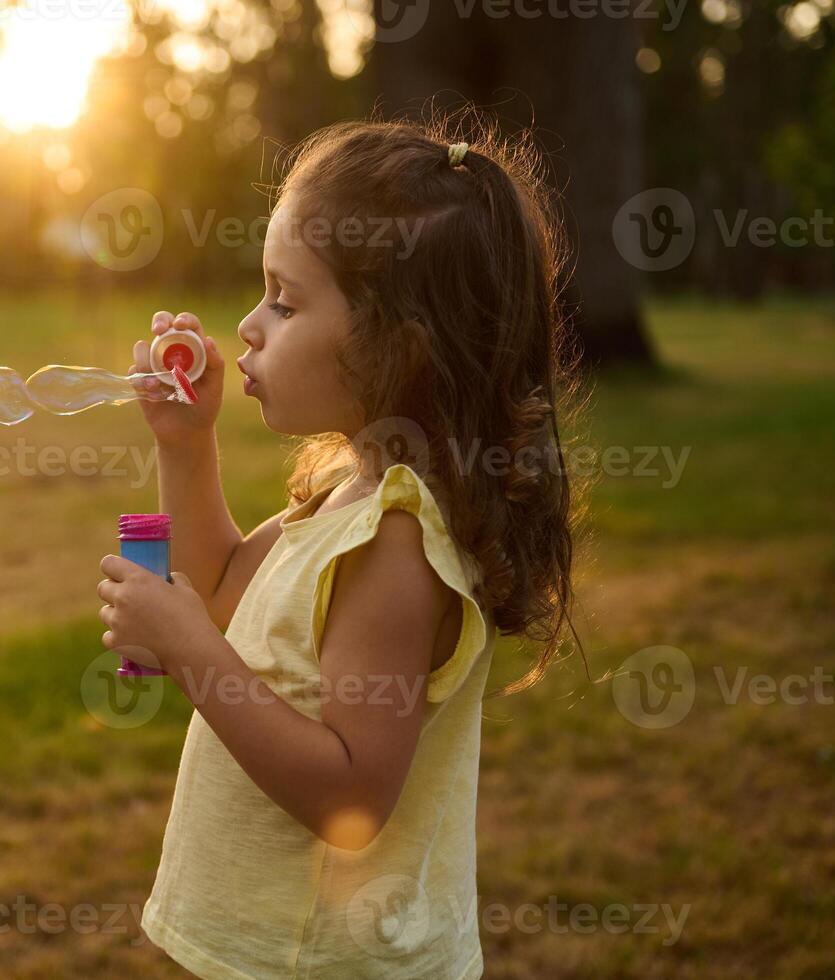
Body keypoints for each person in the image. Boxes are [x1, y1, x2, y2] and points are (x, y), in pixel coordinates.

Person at [95, 115, 581, 978]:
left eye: (285, 301)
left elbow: (352, 796)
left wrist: (189, 653)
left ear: (397, 343)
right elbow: (215, 589)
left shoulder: (397, 541)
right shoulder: (344, 492)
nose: (248, 325)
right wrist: (185, 444)